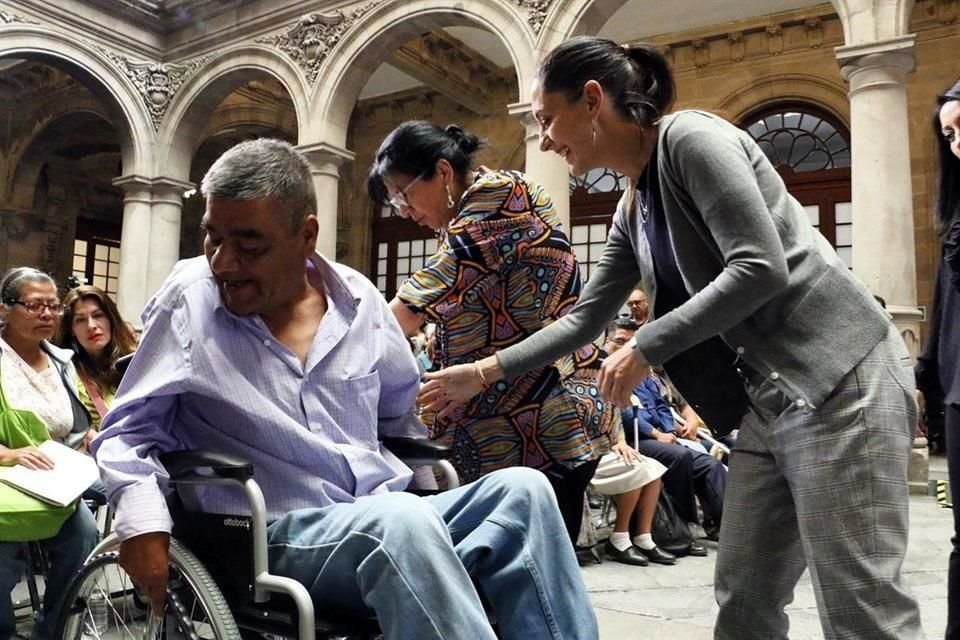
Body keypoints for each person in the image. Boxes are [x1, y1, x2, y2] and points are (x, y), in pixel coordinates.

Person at [419, 36, 923, 640]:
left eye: (549, 119)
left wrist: (647, 345)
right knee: (745, 598)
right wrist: (481, 373)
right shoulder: (632, 208)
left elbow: (760, 265)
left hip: (842, 380)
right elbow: (583, 318)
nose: (546, 140)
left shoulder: (691, 138)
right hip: (768, 401)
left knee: (860, 607)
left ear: (592, 100)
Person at [92, 138, 598, 640]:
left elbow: (400, 420)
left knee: (524, 492)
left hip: (384, 513)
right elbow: (128, 431)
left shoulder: (360, 300)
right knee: (398, 524)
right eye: (212, 238)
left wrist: (434, 510)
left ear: (306, 234)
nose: (223, 262)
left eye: (249, 245)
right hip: (269, 535)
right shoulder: (189, 298)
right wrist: (142, 521)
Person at [368, 121, 617, 545]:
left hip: (547, 421)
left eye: (402, 195)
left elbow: (410, 308)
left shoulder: (498, 199)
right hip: (514, 424)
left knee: (530, 572)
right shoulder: (468, 213)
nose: (403, 212)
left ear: (443, 172)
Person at [0, 267, 99, 640]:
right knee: (4, 550)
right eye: (35, 305)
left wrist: (90, 438)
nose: (47, 314)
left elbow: (76, 421)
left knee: (84, 535)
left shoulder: (62, 360)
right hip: (8, 472)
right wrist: (8, 454)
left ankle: (53, 627)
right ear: (4, 310)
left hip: (59, 471)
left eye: (54, 307)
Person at [916, 77, 960, 640]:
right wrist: (924, 377)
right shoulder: (954, 221)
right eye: (947, 135)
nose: (954, 145)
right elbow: (943, 304)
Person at [55, 284, 138, 430]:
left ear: (111, 319)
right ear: (71, 330)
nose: (91, 326)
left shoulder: (136, 362)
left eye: (98, 315)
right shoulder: (64, 370)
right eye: (80, 320)